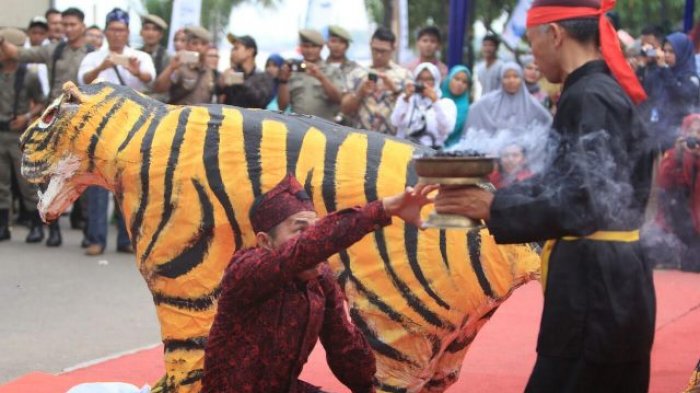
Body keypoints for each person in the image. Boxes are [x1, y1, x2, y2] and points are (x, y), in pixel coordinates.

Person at [434, 0, 656, 391]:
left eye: (532, 41)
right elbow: (564, 181)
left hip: (597, 293)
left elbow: (586, 200)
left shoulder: (590, 96)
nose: (531, 55)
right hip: (607, 286)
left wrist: (495, 206)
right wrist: (494, 196)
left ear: (554, 34)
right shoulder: (591, 91)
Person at [202, 174, 436, 393]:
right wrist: (384, 209)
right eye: (300, 230)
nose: (314, 241)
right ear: (265, 241)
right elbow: (306, 248)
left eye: (315, 230)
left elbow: (345, 351)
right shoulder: (245, 270)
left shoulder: (321, 281)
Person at [0, 6, 93, 246]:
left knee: (85, 177)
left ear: (82, 25)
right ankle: (52, 229)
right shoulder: (54, 50)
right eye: (65, 25)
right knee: (50, 177)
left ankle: (90, 231)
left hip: (87, 123)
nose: (68, 29)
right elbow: (19, 54)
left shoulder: (93, 54)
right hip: (57, 122)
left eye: (73, 24)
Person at [78, 8, 155, 256]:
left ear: (127, 32)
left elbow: (150, 79)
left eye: (121, 30)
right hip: (101, 130)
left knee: (131, 187)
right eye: (112, 29)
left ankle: (126, 239)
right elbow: (82, 81)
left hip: (133, 129)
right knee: (99, 186)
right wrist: (102, 66)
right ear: (105, 31)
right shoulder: (94, 57)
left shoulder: (139, 56)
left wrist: (134, 71)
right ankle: (96, 239)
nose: (117, 34)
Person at [0, 28, 47, 243]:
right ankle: (3, 225)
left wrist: (27, 115)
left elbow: (41, 102)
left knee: (26, 183)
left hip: (18, 134)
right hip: (0, 133)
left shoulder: (28, 75)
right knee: (1, 183)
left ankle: (36, 224)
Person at [341, 27, 413, 135]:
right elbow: (344, 109)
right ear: (370, 45)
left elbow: (412, 110)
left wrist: (395, 90)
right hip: (360, 137)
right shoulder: (356, 74)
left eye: (383, 51)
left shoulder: (404, 75)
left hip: (393, 140)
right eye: (375, 50)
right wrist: (360, 93)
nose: (378, 55)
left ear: (393, 48)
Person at [655, 114, 700, 272]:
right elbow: (664, 182)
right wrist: (679, 155)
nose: (695, 138)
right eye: (692, 132)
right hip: (680, 224)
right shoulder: (675, 154)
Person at [641, 32, 700, 152]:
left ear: (682, 53)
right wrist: (647, 65)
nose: (666, 55)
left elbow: (680, 94)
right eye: (665, 51)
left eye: (672, 52)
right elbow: (646, 98)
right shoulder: (659, 73)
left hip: (679, 139)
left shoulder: (691, 78)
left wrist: (665, 69)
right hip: (655, 136)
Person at [465, 62, 552, 135]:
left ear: (521, 79)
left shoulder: (532, 104)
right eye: (506, 77)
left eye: (515, 76)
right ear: (501, 79)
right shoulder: (490, 100)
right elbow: (473, 112)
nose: (511, 80)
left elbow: (547, 121)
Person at [277, 29, 344, 121]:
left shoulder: (332, 71)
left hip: (324, 127)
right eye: (305, 46)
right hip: (298, 127)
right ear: (300, 47)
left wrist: (321, 78)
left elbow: (338, 99)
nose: (309, 50)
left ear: (321, 48)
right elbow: (282, 106)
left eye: (313, 47)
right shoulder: (292, 71)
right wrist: (283, 81)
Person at [390, 62, 456, 148]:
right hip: (405, 150)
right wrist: (405, 100)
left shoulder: (446, 103)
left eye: (429, 79)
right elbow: (395, 122)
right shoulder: (406, 99)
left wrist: (435, 102)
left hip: (432, 153)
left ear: (436, 81)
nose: (424, 83)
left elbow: (447, 129)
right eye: (420, 79)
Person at [154, 26, 217, 105]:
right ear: (187, 45)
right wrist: (171, 68)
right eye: (194, 43)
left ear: (208, 47)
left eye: (203, 44)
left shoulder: (209, 71)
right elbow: (159, 88)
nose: (199, 47)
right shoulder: (179, 66)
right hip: (180, 115)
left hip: (202, 116)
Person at [218, 34, 273, 109]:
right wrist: (221, 83)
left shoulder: (264, 77)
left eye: (236, 48)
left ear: (250, 51)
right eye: (232, 49)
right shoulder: (232, 73)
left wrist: (238, 80)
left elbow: (260, 100)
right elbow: (216, 94)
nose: (232, 52)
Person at [440, 65, 471, 148]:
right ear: (449, 79)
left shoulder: (465, 107)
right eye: (456, 79)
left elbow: (450, 130)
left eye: (464, 82)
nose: (460, 84)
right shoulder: (437, 98)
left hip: (454, 150)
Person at [473, 34, 503, 100]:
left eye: (490, 45)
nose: (487, 48)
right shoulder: (479, 67)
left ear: (496, 48)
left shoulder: (501, 67)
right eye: (485, 45)